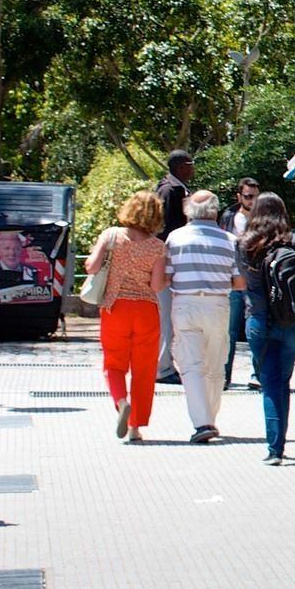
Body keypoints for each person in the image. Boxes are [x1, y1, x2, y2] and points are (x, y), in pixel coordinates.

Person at [85, 191, 169, 443]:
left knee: (114, 364)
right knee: (144, 370)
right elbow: (156, 286)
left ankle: (122, 402)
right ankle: (135, 427)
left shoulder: (111, 236)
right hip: (146, 310)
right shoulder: (158, 247)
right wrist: (167, 278)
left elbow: (91, 266)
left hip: (115, 308)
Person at [237, 193, 295, 465]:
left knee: (270, 383)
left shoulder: (244, 245)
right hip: (292, 318)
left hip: (260, 319)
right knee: (282, 381)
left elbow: (243, 279)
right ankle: (278, 443)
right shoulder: (293, 242)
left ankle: (275, 448)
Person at [164, 189, 237, 445]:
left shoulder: (175, 238)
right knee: (216, 366)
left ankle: (202, 422)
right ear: (215, 211)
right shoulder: (229, 240)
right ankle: (211, 419)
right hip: (217, 305)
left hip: (184, 303)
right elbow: (239, 282)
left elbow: (166, 276)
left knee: (191, 366)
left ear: (188, 212)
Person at [153, 149, 193, 384]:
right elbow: (165, 230)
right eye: (190, 164)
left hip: (171, 264)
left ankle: (166, 363)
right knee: (166, 318)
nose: (193, 168)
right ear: (180, 167)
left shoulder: (174, 188)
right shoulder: (170, 191)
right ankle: (162, 367)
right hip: (167, 264)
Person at [220, 178, 260, 390]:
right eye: (248, 196)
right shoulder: (228, 217)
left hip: (255, 279)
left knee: (256, 328)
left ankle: (257, 375)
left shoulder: (263, 218)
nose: (252, 200)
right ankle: (224, 375)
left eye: (255, 196)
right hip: (233, 279)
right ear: (239, 197)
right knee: (230, 331)